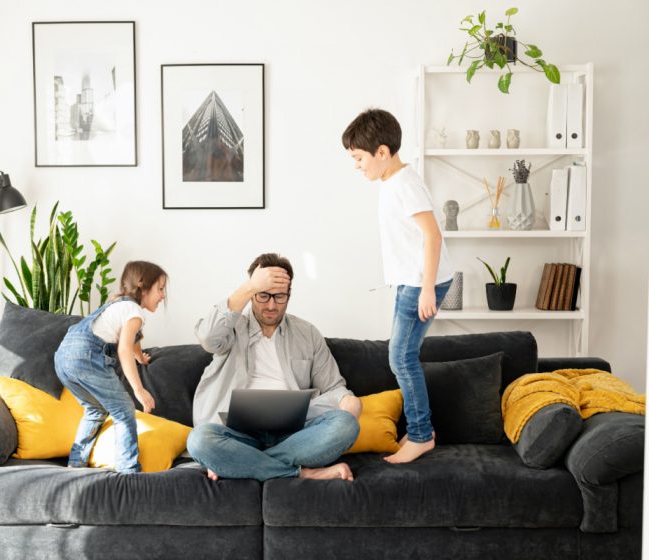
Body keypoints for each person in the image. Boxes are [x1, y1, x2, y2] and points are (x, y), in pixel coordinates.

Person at [187, 253, 362, 482]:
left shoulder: (307, 333)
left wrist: (347, 401)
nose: (271, 305)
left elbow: (332, 386)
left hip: (294, 436)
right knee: (199, 440)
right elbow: (208, 338)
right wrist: (250, 286)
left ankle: (241, 463)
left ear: (289, 295)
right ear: (251, 294)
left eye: (279, 297)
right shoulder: (232, 327)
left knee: (346, 424)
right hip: (237, 436)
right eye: (263, 295)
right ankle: (301, 472)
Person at [342, 108, 454, 464]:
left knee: (401, 357)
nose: (357, 166)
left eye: (359, 158)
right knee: (402, 355)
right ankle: (422, 431)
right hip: (411, 280)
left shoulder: (406, 183)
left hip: (422, 282)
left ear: (382, 152)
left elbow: (433, 236)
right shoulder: (390, 180)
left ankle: (421, 436)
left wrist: (426, 288)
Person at [54, 261, 168, 473]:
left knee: (94, 409)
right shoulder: (135, 312)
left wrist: (140, 358)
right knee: (124, 410)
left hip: (63, 358)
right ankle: (128, 469)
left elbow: (131, 341)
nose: (163, 296)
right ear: (143, 287)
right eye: (160, 289)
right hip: (87, 357)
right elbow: (124, 348)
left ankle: (75, 464)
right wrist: (139, 389)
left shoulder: (118, 304)